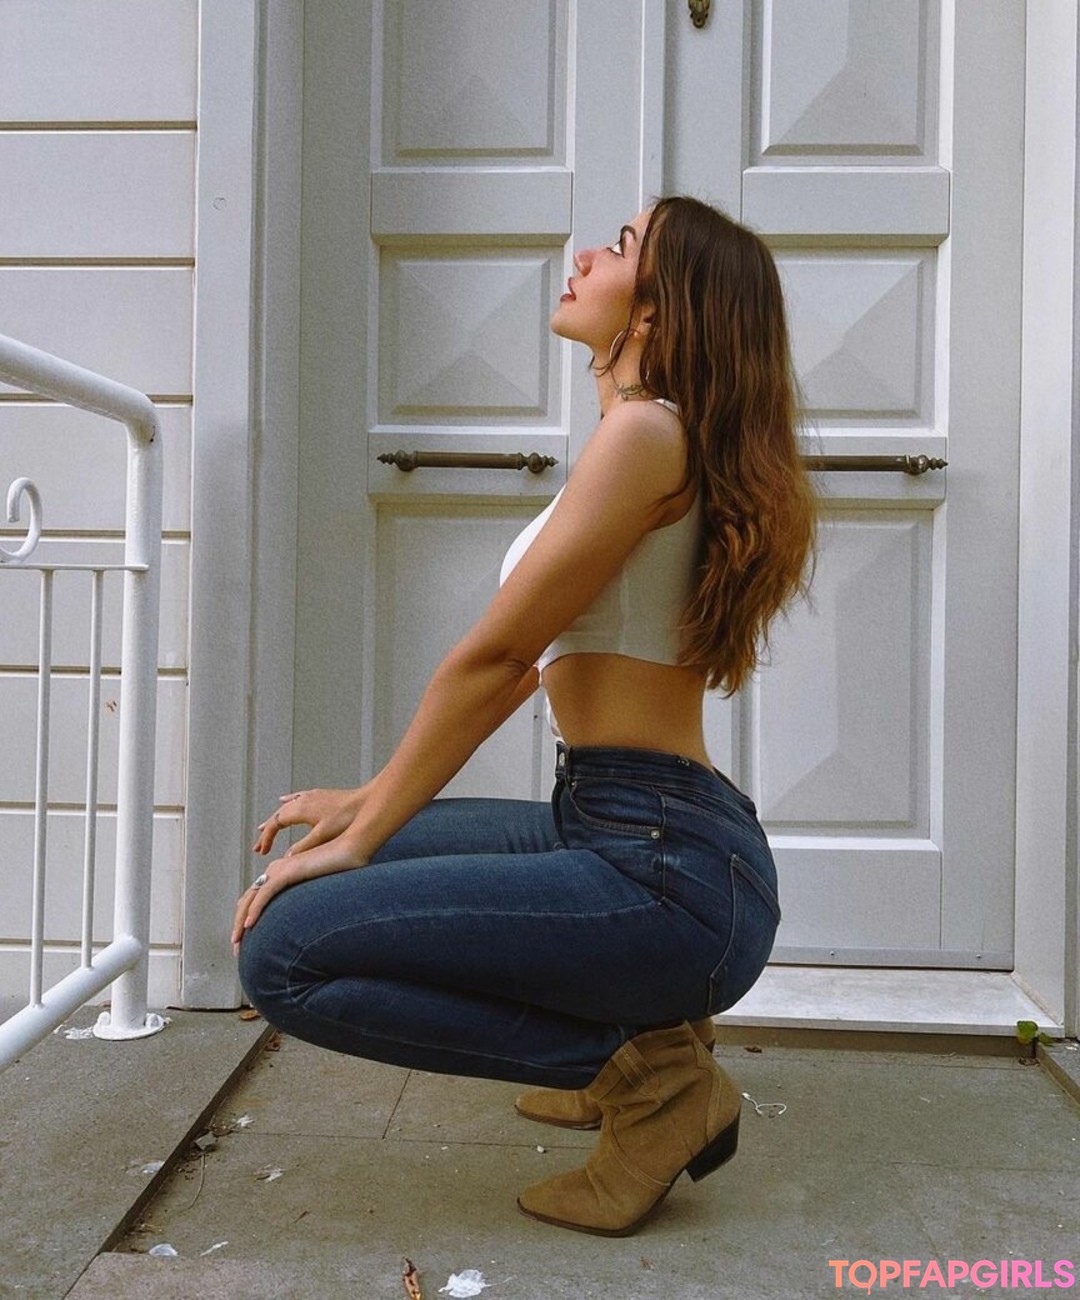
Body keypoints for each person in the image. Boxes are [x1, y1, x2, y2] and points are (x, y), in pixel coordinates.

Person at [234, 196, 816, 1237]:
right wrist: (371, 802)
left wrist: (364, 830)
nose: (586, 254)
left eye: (622, 247)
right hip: (630, 826)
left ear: (660, 308)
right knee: (349, 865)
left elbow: (493, 658)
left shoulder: (647, 435)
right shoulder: (643, 434)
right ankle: (642, 1042)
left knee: (283, 954)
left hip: (664, 868)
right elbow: (530, 671)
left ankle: (651, 1083)